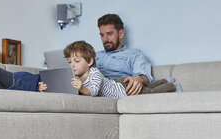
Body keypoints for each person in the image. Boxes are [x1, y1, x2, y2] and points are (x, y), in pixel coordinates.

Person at [39, 41, 176, 98]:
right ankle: (164, 80)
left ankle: (171, 85)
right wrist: (46, 88)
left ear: (90, 61)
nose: (72, 65)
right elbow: (66, 91)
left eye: (77, 61)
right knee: (149, 88)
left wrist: (81, 88)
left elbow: (92, 92)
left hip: (124, 89)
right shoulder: (74, 76)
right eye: (69, 62)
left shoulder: (95, 74)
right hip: (118, 83)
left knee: (150, 92)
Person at [96, 14, 181, 95]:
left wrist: (138, 78)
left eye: (110, 34)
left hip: (122, 86)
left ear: (121, 33)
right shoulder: (94, 56)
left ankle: (168, 84)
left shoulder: (134, 54)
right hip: (100, 88)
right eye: (102, 35)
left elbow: (144, 78)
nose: (105, 39)